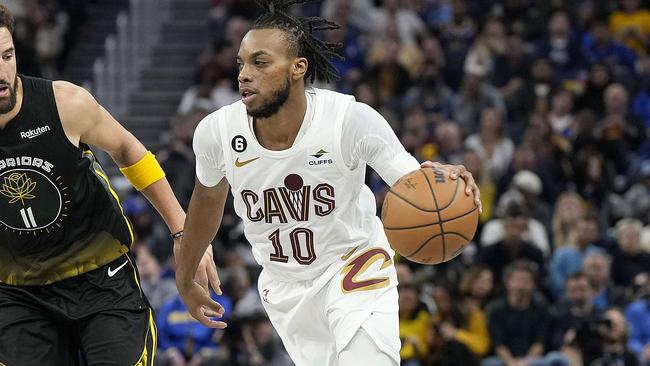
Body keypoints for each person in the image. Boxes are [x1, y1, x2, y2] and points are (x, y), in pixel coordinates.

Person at [173, 1, 481, 365]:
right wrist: (185, 276)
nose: (243, 74)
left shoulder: (349, 120)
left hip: (356, 265)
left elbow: (413, 183)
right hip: (286, 287)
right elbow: (206, 204)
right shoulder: (216, 133)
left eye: (260, 62)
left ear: (298, 68)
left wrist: (445, 180)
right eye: (241, 63)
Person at [0, 5, 215, 365]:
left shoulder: (64, 103)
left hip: (101, 279)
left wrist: (182, 231)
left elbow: (129, 149)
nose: (2, 72)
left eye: (6, 56)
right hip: (18, 293)